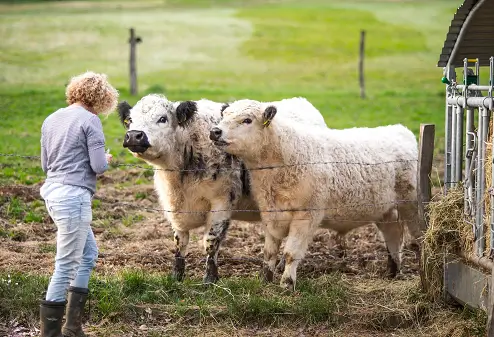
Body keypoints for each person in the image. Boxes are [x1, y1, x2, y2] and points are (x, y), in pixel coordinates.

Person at [39, 71, 118, 337]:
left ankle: (73, 327)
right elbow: (98, 166)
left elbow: (45, 165)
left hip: (52, 193)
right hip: (74, 198)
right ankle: (50, 334)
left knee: (87, 255)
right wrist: (106, 159)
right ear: (101, 97)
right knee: (66, 263)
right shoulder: (91, 120)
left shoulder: (51, 119)